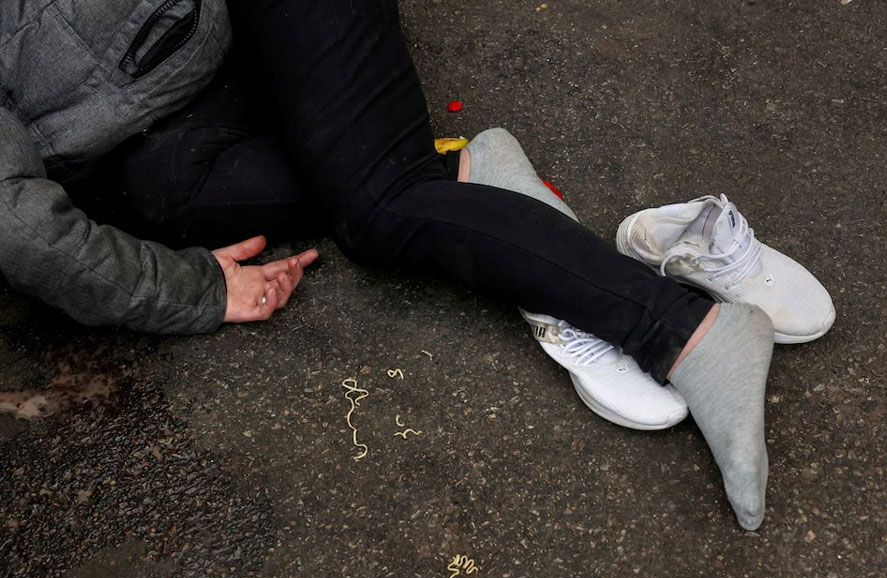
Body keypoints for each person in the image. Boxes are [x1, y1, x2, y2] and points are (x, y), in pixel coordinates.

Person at [0, 0, 830, 530]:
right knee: (157, 196)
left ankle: (688, 329)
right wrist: (191, 282)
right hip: (155, 99)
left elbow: (21, 228)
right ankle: (477, 190)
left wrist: (186, 288)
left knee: (379, 208)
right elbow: (22, 222)